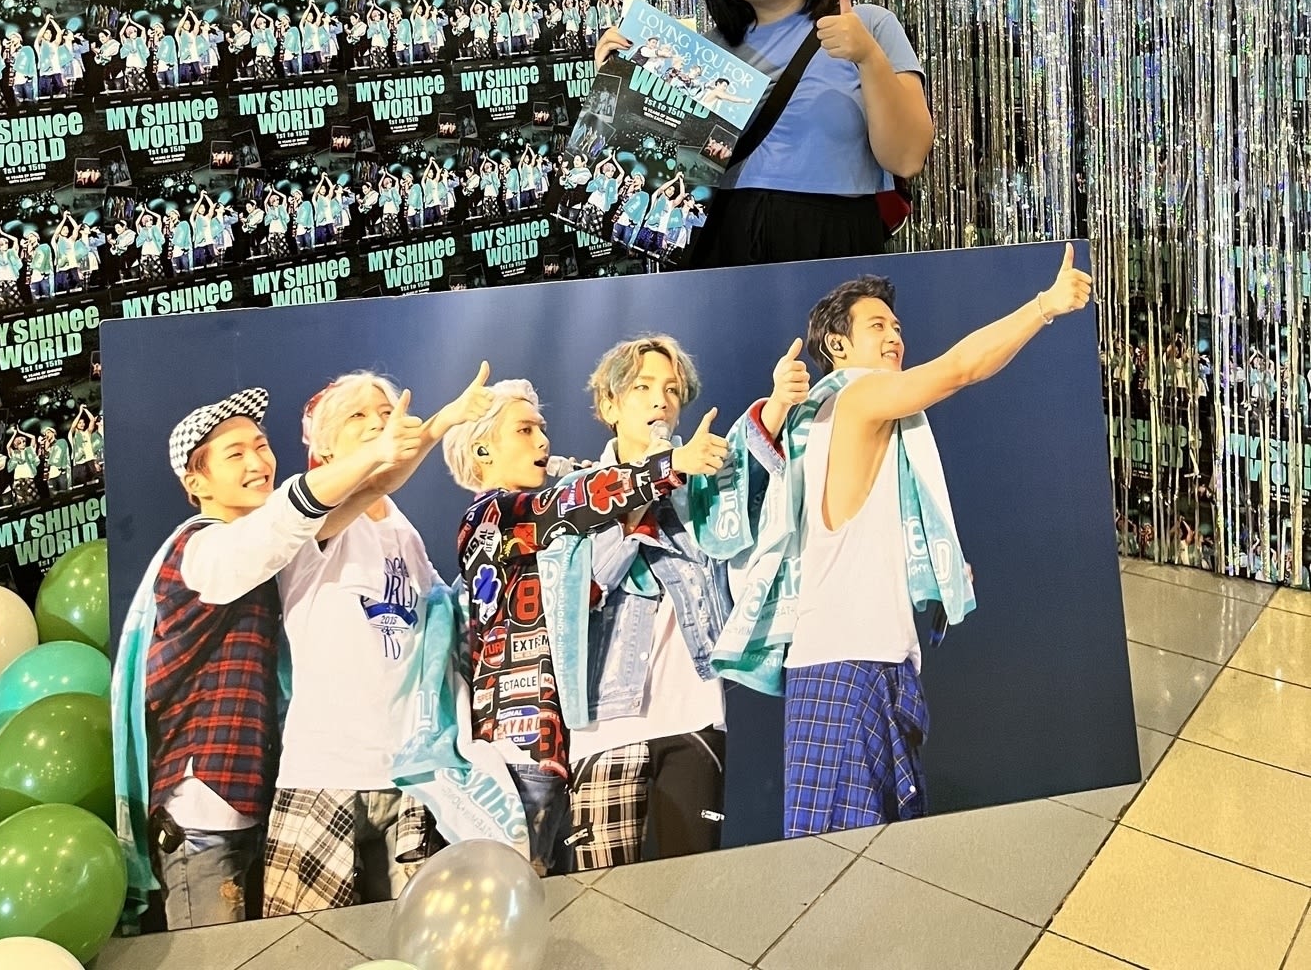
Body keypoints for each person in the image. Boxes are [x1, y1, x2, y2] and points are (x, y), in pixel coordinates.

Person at [713, 248, 1092, 840]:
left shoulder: (825, 419)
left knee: (877, 869)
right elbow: (960, 368)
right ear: (837, 347)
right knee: (841, 876)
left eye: (897, 327)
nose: (894, 337)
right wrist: (1044, 306)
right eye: (877, 326)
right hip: (846, 666)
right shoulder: (856, 397)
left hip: (872, 663)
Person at [112, 386, 422, 929]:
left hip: (253, 803)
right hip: (202, 813)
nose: (258, 462)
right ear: (195, 482)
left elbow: (344, 506)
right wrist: (373, 451)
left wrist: (429, 432)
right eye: (235, 455)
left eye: (261, 446)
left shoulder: (272, 553)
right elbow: (283, 522)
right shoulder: (201, 549)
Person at [441, 380, 728, 876]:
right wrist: (669, 467)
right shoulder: (491, 515)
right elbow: (577, 501)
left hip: (560, 747)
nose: (543, 442)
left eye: (543, 430)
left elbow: (589, 577)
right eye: (525, 430)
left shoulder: (547, 523)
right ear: (482, 449)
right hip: (516, 754)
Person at [261, 364, 506, 916]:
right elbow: (357, 490)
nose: (379, 421)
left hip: (410, 778)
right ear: (324, 448)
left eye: (385, 411)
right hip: (326, 771)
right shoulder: (304, 513)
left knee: (425, 944)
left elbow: (445, 622)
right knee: (305, 951)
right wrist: (439, 423)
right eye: (358, 416)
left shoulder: (402, 529)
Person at [568, 334, 809, 870]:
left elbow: (744, 477)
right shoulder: (574, 487)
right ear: (609, 405)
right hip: (603, 722)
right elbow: (587, 585)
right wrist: (660, 474)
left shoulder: (699, 482)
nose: (661, 400)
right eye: (643, 387)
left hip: (694, 715)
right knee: (600, 906)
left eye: (673, 389)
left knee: (693, 892)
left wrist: (776, 406)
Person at [597, 0, 933, 266]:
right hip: (721, 238)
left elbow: (907, 159)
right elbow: (663, 163)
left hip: (833, 239)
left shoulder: (868, 24)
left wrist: (869, 57)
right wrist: (618, 82)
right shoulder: (699, 54)